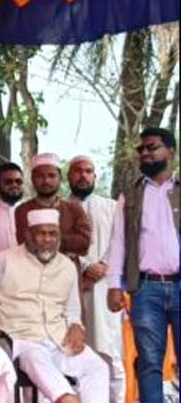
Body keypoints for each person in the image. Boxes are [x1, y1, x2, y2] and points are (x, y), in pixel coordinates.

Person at [0, 209, 109, 403]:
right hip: (21, 339)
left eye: (53, 234)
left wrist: (76, 326)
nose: (47, 239)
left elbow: (72, 310)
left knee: (98, 368)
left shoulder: (67, 266)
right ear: (28, 235)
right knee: (36, 359)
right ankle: (66, 398)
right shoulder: (3, 260)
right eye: (41, 233)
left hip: (58, 340)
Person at [107, 127, 179, 402]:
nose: (145, 153)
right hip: (146, 289)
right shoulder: (131, 195)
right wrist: (114, 285)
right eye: (142, 149)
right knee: (149, 362)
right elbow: (119, 242)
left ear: (170, 151)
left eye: (152, 147)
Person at [67, 155, 125, 402]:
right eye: (77, 171)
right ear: (69, 175)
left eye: (88, 171)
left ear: (95, 176)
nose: (83, 175)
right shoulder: (59, 208)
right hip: (72, 287)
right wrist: (84, 267)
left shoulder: (112, 207)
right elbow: (56, 244)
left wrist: (102, 266)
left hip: (105, 289)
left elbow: (121, 242)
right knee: (73, 353)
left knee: (109, 351)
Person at [15, 153, 92, 263]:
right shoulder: (22, 210)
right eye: (40, 176)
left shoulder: (74, 209)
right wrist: (68, 243)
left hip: (69, 271)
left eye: (51, 175)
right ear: (32, 179)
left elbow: (84, 243)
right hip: (32, 270)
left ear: (60, 178)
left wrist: (40, 238)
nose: (46, 180)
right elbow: (26, 245)